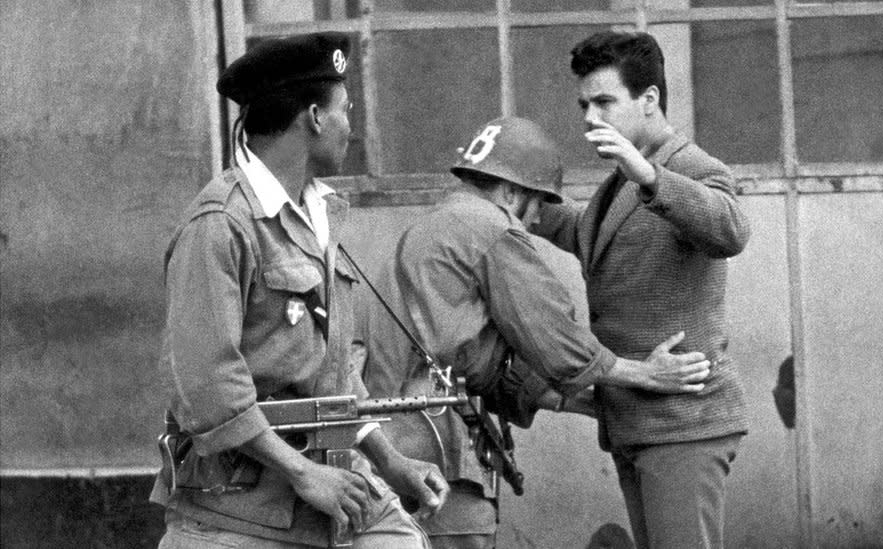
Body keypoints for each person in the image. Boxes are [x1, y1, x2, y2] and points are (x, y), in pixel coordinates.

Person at [149, 32, 449, 548]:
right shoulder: (221, 224)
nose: (351, 129)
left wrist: (390, 460)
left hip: (329, 498)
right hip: (238, 516)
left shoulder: (317, 216)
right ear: (313, 117)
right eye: (345, 110)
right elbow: (206, 387)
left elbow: (329, 378)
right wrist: (303, 473)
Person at [360, 116, 714, 549]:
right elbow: (554, 338)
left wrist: (585, 402)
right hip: (434, 446)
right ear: (511, 191)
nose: (535, 222)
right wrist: (644, 375)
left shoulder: (434, 227)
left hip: (388, 438)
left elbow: (473, 352)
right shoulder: (493, 229)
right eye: (538, 205)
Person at [530, 30, 753, 549]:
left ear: (649, 100)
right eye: (584, 104)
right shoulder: (619, 182)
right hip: (639, 419)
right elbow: (592, 234)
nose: (590, 117)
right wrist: (519, 198)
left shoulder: (690, 168)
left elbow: (730, 229)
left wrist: (651, 176)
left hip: (684, 422)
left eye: (605, 101)